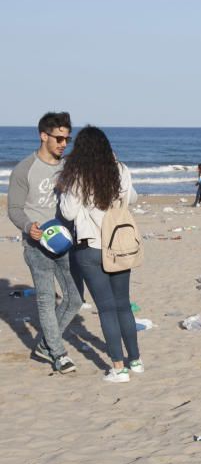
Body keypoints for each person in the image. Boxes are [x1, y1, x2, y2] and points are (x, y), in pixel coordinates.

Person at [56, 126, 141, 383]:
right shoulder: (121, 170)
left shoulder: (79, 175)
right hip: (118, 245)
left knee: (106, 309)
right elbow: (132, 199)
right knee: (123, 305)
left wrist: (62, 193)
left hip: (90, 247)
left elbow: (69, 213)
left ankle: (118, 368)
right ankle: (135, 361)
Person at [6, 112, 81, 374]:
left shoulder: (68, 167)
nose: (63, 143)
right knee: (47, 299)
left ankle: (45, 344)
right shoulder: (23, 170)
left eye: (67, 139)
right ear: (43, 136)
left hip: (66, 243)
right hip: (36, 245)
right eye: (59, 138)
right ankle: (58, 354)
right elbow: (14, 208)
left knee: (75, 299)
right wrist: (29, 227)